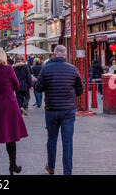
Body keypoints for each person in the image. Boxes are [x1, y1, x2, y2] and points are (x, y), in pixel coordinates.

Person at [35, 45, 83, 176]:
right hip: (68, 110)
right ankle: (67, 172)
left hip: (51, 109)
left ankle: (51, 167)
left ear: (54, 54)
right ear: (65, 55)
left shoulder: (46, 69)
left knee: (52, 139)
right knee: (68, 141)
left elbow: (38, 88)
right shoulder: (73, 69)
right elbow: (80, 90)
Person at [0, 48, 28, 175]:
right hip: (8, 105)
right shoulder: (8, 69)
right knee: (10, 135)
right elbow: (17, 85)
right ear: (3, 57)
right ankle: (12, 165)